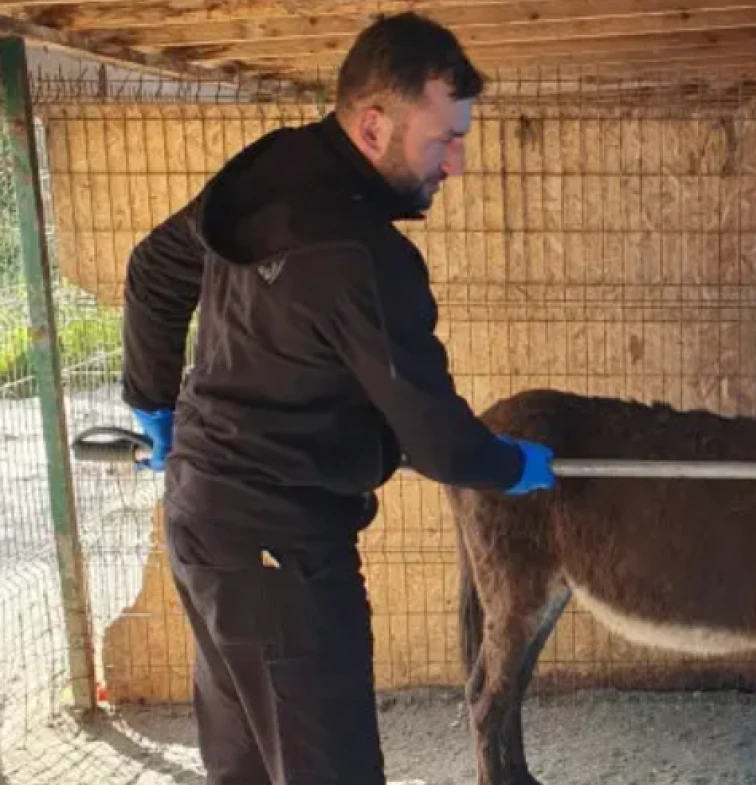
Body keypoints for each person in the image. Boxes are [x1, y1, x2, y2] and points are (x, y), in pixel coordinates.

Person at [119, 12, 556, 784]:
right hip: (281, 546)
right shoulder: (364, 257)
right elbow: (440, 443)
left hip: (203, 523)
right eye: (443, 139)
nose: (455, 163)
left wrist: (155, 404)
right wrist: (509, 462)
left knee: (248, 761)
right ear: (374, 125)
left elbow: (154, 269)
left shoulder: (266, 175)